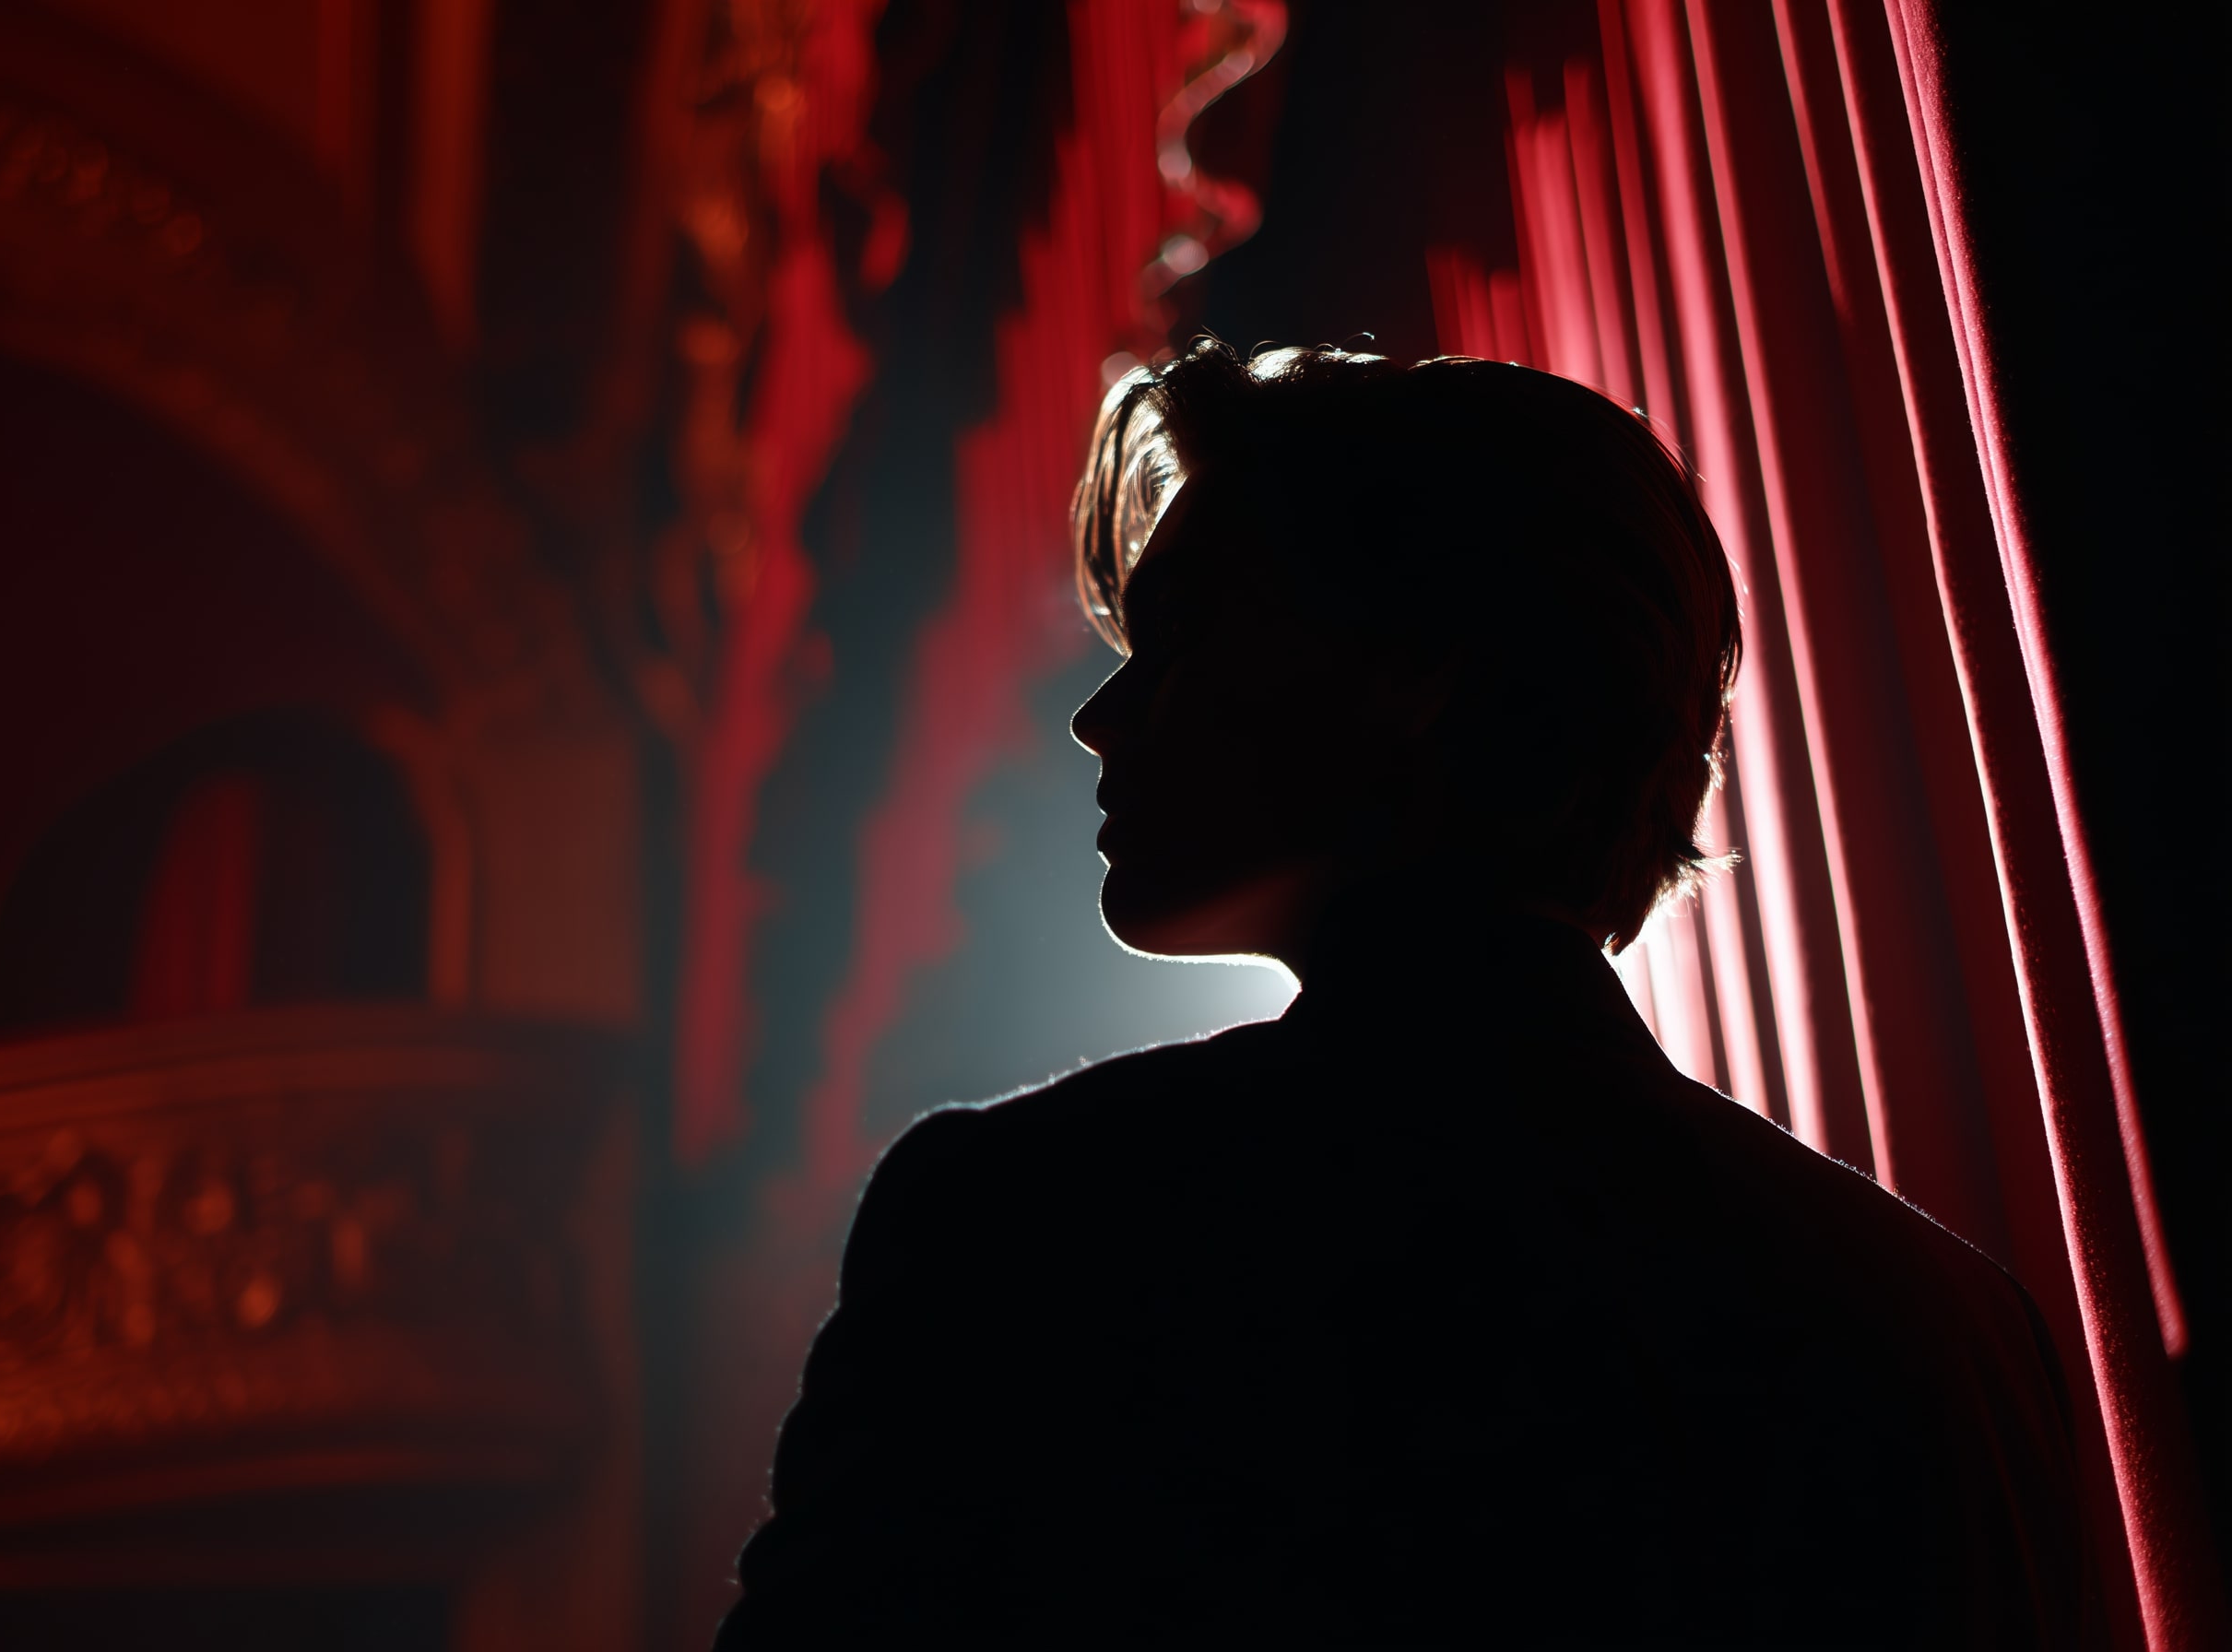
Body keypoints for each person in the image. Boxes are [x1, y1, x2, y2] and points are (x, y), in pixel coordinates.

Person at [714, 341, 2093, 1648]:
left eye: (1184, 638)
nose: (1099, 717)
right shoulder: (1955, 1328)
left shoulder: (1035, 1225)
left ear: (1418, 672)